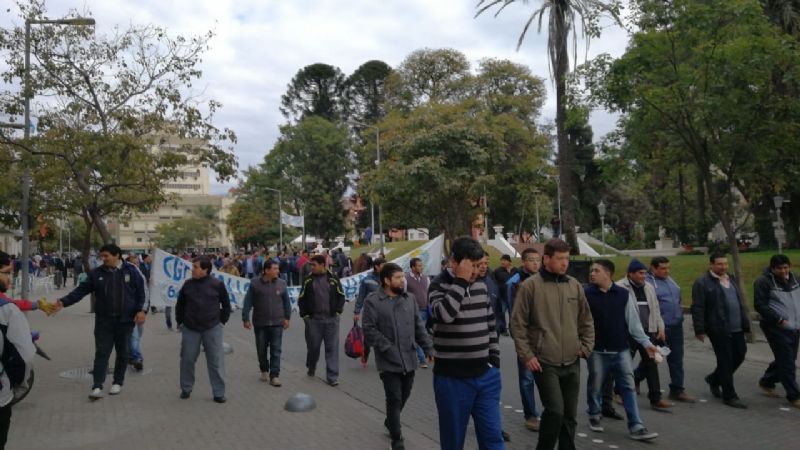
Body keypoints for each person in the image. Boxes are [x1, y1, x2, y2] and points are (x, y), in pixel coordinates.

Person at [510, 239, 594, 450]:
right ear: (546, 259)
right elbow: (517, 324)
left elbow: (586, 320)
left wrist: (586, 347)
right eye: (560, 258)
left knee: (570, 415)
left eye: (567, 258)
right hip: (544, 361)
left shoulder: (574, 285)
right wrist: (527, 355)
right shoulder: (530, 286)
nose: (565, 263)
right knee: (555, 411)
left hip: (572, 360)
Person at [430, 236, 503, 450]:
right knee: (453, 441)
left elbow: (490, 323)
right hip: (452, 379)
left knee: (493, 437)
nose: (476, 272)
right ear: (454, 262)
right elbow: (444, 315)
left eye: (479, 266)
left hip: (486, 375)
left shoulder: (480, 285)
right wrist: (460, 282)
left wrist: (494, 359)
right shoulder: (437, 285)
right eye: (472, 266)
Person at [52, 244, 147, 399]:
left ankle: (118, 382)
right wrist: (63, 302)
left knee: (123, 353)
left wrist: (141, 310)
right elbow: (81, 290)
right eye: (101, 256)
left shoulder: (131, 270)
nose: (103, 259)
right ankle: (97, 386)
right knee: (102, 352)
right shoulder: (97, 273)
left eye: (106, 256)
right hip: (104, 321)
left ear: (117, 255)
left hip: (125, 321)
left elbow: (141, 293)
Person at [584, 260, 659, 441]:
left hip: (621, 350)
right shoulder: (586, 294)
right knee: (595, 385)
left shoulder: (623, 295)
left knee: (628, 387)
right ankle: (594, 413)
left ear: (608, 274)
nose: (592, 274)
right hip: (596, 350)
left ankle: (636, 425)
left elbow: (634, 323)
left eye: (596, 271)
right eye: (591, 271)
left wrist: (646, 343)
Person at [363, 263, 433, 450]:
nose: (403, 280)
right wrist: (387, 347)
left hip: (409, 357)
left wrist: (428, 348)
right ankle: (396, 438)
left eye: (403, 277)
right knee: (394, 398)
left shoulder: (409, 299)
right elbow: (369, 329)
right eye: (398, 277)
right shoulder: (373, 301)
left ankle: (390, 421)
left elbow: (419, 327)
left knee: (404, 395)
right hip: (388, 359)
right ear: (387, 280)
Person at [691, 251, 750, 409]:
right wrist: (699, 329)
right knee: (725, 360)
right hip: (718, 328)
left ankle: (714, 379)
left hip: (737, 327)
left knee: (740, 354)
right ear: (711, 265)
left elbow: (738, 301)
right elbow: (698, 307)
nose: (723, 267)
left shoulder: (731, 278)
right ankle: (729, 395)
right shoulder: (702, 283)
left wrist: (745, 323)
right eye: (719, 264)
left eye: (725, 263)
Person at [616, 259, 671, 410]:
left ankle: (656, 398)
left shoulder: (649, 287)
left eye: (645, 273)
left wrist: (660, 328)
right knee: (625, 365)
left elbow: (656, 309)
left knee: (651, 364)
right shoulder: (620, 287)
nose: (643, 276)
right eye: (640, 273)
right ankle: (618, 392)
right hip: (628, 333)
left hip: (647, 332)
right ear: (630, 274)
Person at [176, 256, 231, 403]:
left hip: (212, 328)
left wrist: (222, 322)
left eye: (195, 267)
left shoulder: (217, 284)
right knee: (187, 359)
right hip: (190, 328)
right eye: (192, 266)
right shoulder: (187, 285)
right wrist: (180, 322)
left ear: (205, 270)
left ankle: (218, 393)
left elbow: (226, 305)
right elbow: (180, 305)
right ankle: (186, 388)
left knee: (215, 361)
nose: (192, 270)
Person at [646, 256, 695, 403]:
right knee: (655, 357)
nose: (666, 271)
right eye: (663, 268)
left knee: (677, 359)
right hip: (660, 328)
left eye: (668, 268)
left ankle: (677, 389)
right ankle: (636, 377)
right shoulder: (648, 283)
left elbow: (677, 299)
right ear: (653, 268)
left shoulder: (670, 281)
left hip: (676, 325)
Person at [0, 252, 36, 450]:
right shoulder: (7, 311)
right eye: (6, 272)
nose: (10, 278)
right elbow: (25, 357)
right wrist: (17, 387)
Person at [754, 254, 800, 408]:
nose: (783, 271)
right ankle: (794, 396)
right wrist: (779, 319)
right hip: (775, 327)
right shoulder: (763, 282)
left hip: (794, 326)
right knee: (787, 361)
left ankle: (767, 381)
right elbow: (759, 305)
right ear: (772, 268)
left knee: (788, 358)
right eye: (779, 268)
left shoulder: (795, 279)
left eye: (786, 267)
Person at [506, 248, 542, 432]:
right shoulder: (514, 282)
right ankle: (531, 415)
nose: (536, 263)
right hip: (526, 338)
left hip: (545, 337)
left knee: (547, 377)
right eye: (531, 260)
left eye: (538, 260)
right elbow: (513, 313)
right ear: (523, 262)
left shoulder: (545, 279)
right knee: (527, 378)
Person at [242, 260, 291, 386]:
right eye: (275, 269)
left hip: (277, 322)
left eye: (278, 268)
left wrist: (287, 318)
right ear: (266, 270)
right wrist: (245, 318)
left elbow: (286, 302)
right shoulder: (255, 283)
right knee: (261, 349)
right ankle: (264, 369)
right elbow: (248, 301)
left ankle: (274, 375)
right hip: (261, 323)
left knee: (276, 350)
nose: (277, 271)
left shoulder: (282, 283)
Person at [298, 255, 345, 386]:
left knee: (332, 348)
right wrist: (305, 316)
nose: (311, 267)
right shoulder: (308, 280)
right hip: (314, 321)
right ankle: (311, 366)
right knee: (313, 347)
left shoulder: (333, 279)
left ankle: (332, 377)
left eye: (314, 265)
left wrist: (338, 311)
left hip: (332, 320)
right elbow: (301, 298)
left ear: (322, 265)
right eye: (311, 265)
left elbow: (341, 295)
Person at [353, 257, 385, 364]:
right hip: (370, 312)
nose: (385, 268)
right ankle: (365, 353)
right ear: (376, 266)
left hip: (384, 312)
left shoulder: (388, 279)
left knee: (383, 335)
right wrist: (357, 311)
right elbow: (361, 296)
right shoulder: (367, 280)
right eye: (383, 266)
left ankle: (381, 359)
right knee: (367, 335)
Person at [126, 254, 150, 371]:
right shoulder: (126, 275)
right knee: (134, 336)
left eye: (137, 263)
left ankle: (130, 355)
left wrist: (144, 310)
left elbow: (145, 292)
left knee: (137, 335)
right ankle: (137, 357)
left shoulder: (140, 274)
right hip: (130, 310)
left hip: (140, 309)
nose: (135, 265)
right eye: (133, 263)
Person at [404, 257, 430, 368]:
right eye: (419, 266)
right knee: (418, 333)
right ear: (413, 267)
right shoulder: (406, 279)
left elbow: (429, 292)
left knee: (422, 333)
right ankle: (422, 358)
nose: (421, 267)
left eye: (421, 265)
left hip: (425, 310)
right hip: (413, 311)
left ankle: (418, 354)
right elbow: (403, 295)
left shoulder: (426, 278)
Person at [492, 254, 517, 336]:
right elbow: (493, 281)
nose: (502, 262)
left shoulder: (515, 270)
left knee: (512, 314)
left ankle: (513, 329)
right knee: (502, 312)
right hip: (502, 296)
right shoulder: (497, 271)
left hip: (513, 297)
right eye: (501, 260)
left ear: (509, 262)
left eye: (504, 260)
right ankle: (503, 329)